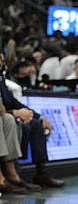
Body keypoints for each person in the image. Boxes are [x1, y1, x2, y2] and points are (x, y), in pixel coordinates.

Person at [3, 58, 65, 188]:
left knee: (36, 124)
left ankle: (41, 172)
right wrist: (14, 113)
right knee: (18, 124)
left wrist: (41, 117)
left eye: (2, 60)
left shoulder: (1, 81)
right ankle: (12, 175)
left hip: (8, 115)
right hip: (5, 117)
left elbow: (16, 103)